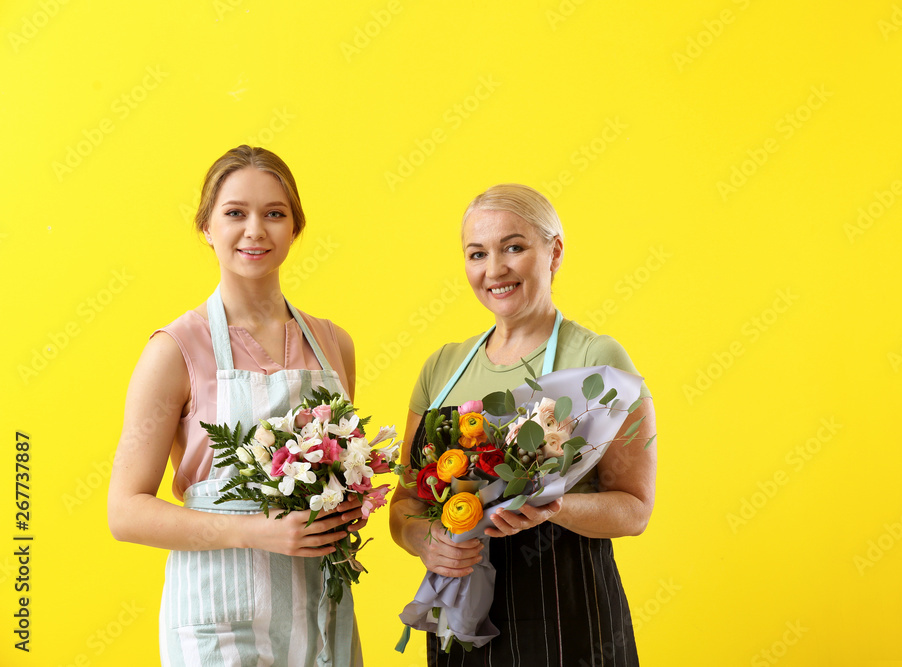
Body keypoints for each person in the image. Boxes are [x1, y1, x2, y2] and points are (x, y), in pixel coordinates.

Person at [108, 145, 363, 666]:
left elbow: (337, 471)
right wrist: (256, 530)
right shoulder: (174, 350)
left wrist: (345, 505)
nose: (256, 230)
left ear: (296, 227)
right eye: (235, 213)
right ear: (206, 227)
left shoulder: (334, 343)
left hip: (319, 606)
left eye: (275, 213)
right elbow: (124, 511)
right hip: (216, 616)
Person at [389, 183, 657, 666]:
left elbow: (635, 509)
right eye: (477, 253)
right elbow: (405, 503)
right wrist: (426, 542)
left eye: (514, 247)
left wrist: (554, 508)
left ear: (553, 252)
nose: (494, 269)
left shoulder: (598, 359)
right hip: (463, 621)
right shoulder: (442, 368)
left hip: (569, 617)